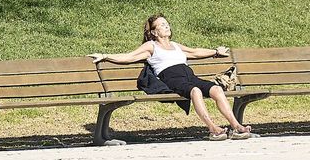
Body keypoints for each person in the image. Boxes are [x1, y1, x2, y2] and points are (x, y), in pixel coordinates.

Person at [88, 14, 253, 141]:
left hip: (189, 75)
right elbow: (129, 56)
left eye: (166, 23)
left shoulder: (175, 45)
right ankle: (212, 129)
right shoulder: (151, 46)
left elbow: (194, 52)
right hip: (173, 79)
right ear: (154, 31)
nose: (166, 26)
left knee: (216, 89)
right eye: (161, 25)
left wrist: (215, 52)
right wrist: (105, 56)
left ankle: (236, 126)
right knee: (195, 91)